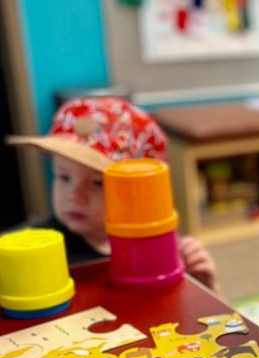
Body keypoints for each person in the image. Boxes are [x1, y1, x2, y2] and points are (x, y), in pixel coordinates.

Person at [4, 97, 221, 295]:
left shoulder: (159, 244)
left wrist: (204, 286)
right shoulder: (34, 241)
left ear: (140, 193)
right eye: (63, 177)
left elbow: (199, 316)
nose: (75, 196)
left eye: (97, 183)